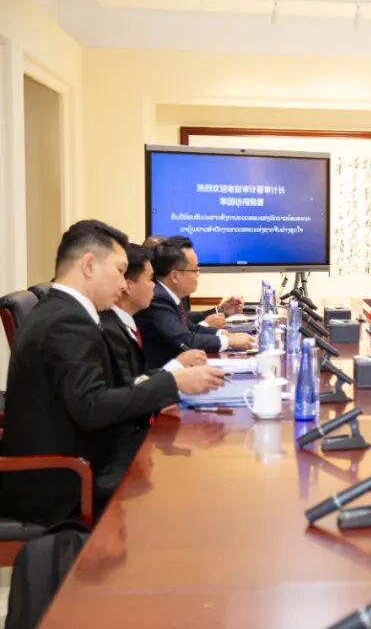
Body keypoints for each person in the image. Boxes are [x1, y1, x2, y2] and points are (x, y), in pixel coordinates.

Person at [0, 220, 225, 526]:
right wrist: (171, 382)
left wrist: (156, 387)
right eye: (120, 271)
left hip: (84, 459)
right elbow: (92, 407)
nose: (123, 284)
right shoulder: (66, 321)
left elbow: (96, 393)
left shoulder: (65, 312)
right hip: (64, 481)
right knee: (185, 496)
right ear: (89, 265)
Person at [135, 236, 253, 369]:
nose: (198, 274)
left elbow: (191, 327)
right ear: (175, 276)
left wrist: (223, 334)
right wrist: (229, 341)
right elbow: (185, 340)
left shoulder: (168, 295)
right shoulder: (158, 298)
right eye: (195, 269)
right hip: (162, 375)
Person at [101, 244, 208, 386]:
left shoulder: (124, 322)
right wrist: (177, 366)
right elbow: (130, 387)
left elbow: (140, 378)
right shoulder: (109, 330)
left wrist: (178, 366)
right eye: (150, 279)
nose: (154, 286)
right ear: (128, 285)